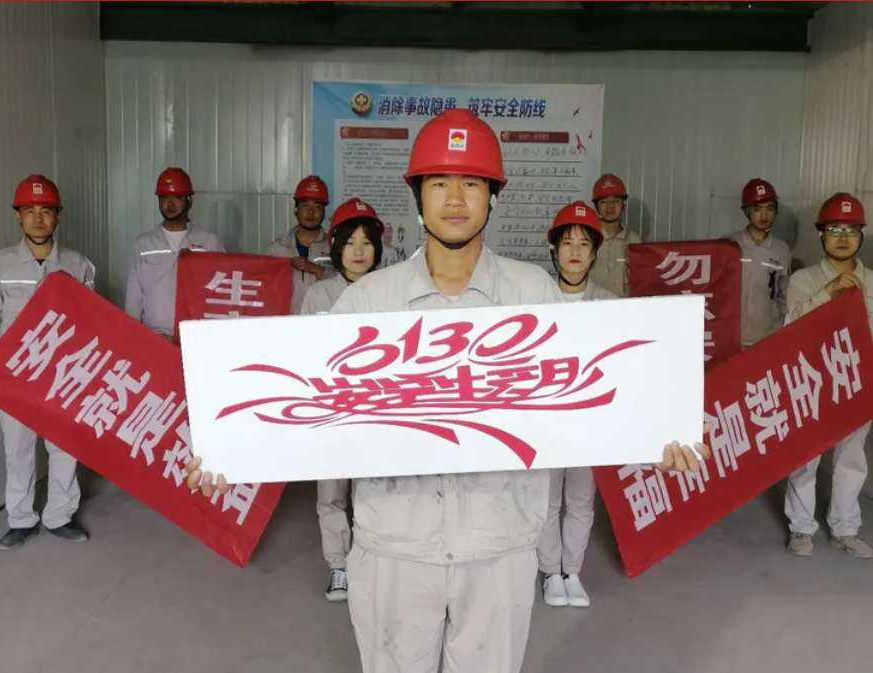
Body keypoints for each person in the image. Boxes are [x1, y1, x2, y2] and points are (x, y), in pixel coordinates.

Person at [187, 110, 709, 673]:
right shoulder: (368, 302)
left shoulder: (534, 294)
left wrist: (665, 427)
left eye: (472, 184)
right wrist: (229, 446)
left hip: (499, 545)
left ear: (493, 196)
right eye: (439, 183)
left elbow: (589, 388)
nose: (455, 199)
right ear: (417, 195)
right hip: (395, 546)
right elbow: (309, 399)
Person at [0, 175, 96, 550]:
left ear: (58, 215)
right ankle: (21, 519)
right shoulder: (0, 264)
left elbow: (91, 321)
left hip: (63, 375)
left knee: (65, 447)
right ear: (18, 216)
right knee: (18, 449)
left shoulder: (77, 265)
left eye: (45, 210)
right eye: (29, 210)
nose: (38, 218)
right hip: (14, 377)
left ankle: (60, 515)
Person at [300, 197, 384, 602]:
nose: (358, 251)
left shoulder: (390, 294)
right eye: (350, 242)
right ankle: (339, 566)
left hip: (376, 408)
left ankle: (371, 563)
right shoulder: (319, 295)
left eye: (366, 243)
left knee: (374, 488)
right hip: (331, 409)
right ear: (335, 247)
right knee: (331, 493)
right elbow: (303, 351)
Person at [784, 192, 873, 559]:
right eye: (834, 230)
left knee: (851, 458)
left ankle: (845, 529)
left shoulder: (872, 282)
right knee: (805, 456)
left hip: (858, 382)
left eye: (850, 230)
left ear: (861, 235)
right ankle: (801, 528)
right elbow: (790, 326)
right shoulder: (803, 280)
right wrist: (827, 293)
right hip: (813, 380)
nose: (842, 238)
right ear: (821, 235)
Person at [538, 200, 615, 608]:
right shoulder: (537, 298)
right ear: (554, 248)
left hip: (589, 419)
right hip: (547, 417)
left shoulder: (610, 302)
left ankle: (573, 571)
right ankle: (551, 573)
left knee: (582, 499)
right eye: (567, 242)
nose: (574, 251)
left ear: (595, 253)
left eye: (584, 244)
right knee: (548, 499)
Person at [125, 167, 225, 338]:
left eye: (177, 197)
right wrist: (132, 337)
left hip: (197, 338)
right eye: (164, 197)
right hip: (155, 338)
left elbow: (221, 293)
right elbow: (133, 300)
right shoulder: (143, 245)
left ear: (189, 200)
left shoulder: (209, 243)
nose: (169, 203)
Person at [728, 178, 791, 348]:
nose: (764, 215)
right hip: (733, 338)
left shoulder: (781, 249)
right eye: (757, 209)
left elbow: (784, 294)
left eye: (770, 209)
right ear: (746, 211)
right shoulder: (729, 244)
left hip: (768, 338)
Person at [268, 175, 332, 314]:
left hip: (322, 320)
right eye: (305, 206)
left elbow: (344, 285)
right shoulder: (278, 247)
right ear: (296, 209)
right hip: (287, 321)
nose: (311, 212)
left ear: (324, 212)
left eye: (317, 207)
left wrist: (316, 269)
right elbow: (267, 289)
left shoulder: (333, 247)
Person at [589, 173, 641, 297]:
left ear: (623, 205)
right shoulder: (587, 239)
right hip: (591, 306)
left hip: (624, 307)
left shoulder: (634, 241)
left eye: (615, 201)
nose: (610, 207)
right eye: (604, 202)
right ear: (596, 206)